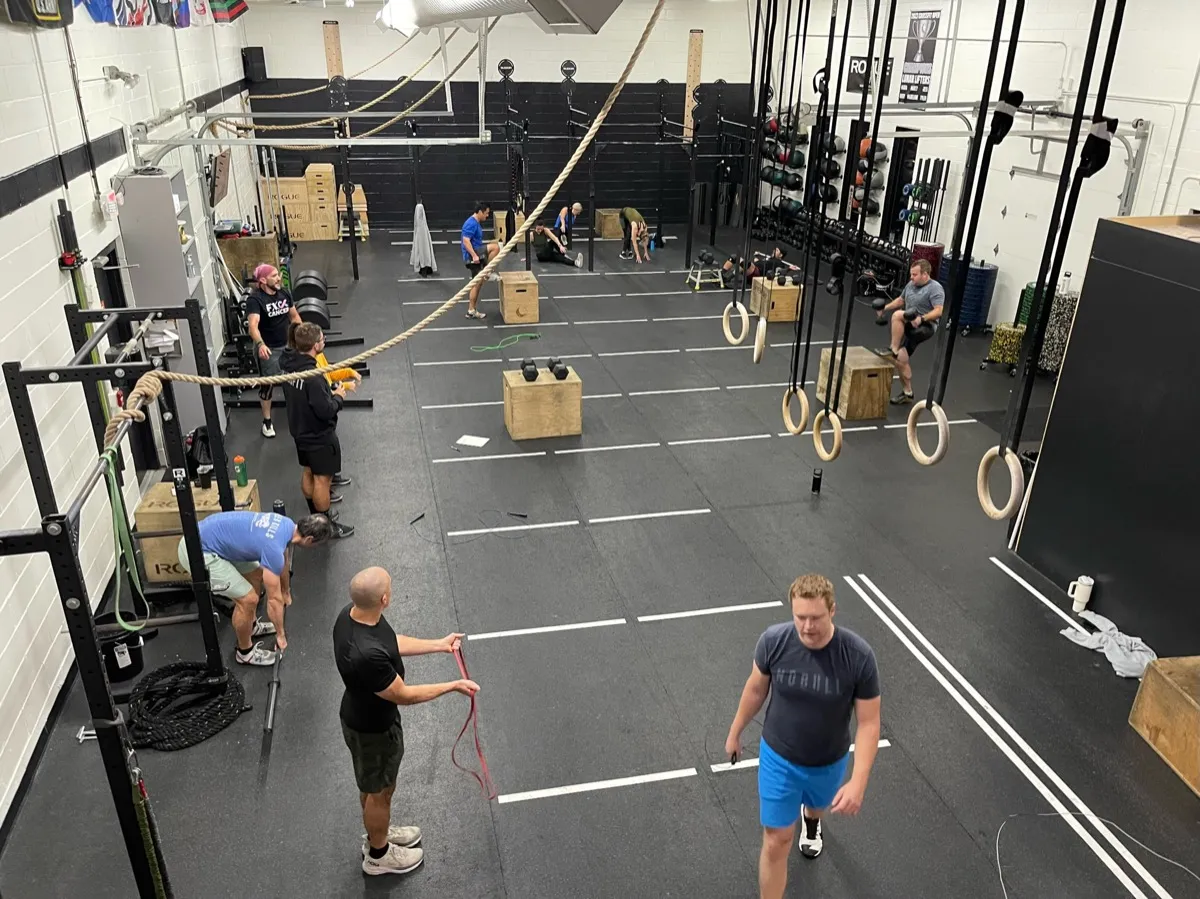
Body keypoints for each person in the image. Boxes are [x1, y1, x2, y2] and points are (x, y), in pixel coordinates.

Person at [725, 574, 882, 899]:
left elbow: (868, 723)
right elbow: (756, 689)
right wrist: (735, 730)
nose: (808, 626)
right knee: (776, 839)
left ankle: (811, 821)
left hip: (828, 761)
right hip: (778, 758)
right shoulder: (774, 641)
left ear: (832, 611)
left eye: (816, 618)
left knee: (816, 806)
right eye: (800, 617)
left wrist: (858, 782)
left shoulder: (858, 656)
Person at [333, 567, 480, 876]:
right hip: (373, 730)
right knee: (379, 790)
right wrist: (452, 686)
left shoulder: (351, 615)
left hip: (363, 718)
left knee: (376, 786)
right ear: (385, 599)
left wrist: (440, 644)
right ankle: (378, 855)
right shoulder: (366, 655)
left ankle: (379, 831)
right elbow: (404, 695)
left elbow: (392, 641)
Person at [178, 510, 335, 665]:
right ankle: (244, 652)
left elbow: (283, 561)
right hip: (197, 550)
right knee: (248, 600)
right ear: (309, 539)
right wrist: (280, 634)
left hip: (212, 538)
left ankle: (251, 626)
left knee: (257, 575)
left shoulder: (287, 525)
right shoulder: (273, 548)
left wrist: (286, 591)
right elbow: (273, 600)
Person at [281, 322, 356, 539]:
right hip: (318, 434)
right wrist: (338, 396)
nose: (324, 341)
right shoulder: (313, 377)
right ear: (315, 346)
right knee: (322, 480)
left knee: (308, 471)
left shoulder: (287, 364)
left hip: (300, 431)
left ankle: (315, 518)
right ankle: (326, 528)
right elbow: (325, 410)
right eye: (322, 339)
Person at [874, 259, 945, 404]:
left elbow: (939, 311)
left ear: (925, 274)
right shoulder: (911, 285)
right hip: (910, 322)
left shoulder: (935, 288)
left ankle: (893, 348)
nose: (911, 277)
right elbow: (900, 301)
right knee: (901, 360)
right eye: (911, 274)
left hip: (925, 327)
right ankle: (908, 393)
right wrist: (884, 308)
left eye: (914, 274)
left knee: (898, 315)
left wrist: (922, 318)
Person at [245, 264, 301, 438]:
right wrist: (261, 344)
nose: (279, 278)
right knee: (267, 386)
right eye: (275, 275)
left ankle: (297, 415)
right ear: (263, 280)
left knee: (294, 381)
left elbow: (294, 316)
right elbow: (252, 327)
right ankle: (267, 422)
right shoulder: (255, 300)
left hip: (288, 345)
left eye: (278, 275)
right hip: (269, 348)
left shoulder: (284, 293)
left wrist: (303, 337)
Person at [461, 201, 500, 320]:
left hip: (476, 252)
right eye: (486, 213)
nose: (487, 216)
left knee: (477, 284)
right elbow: (466, 241)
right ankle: (488, 271)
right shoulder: (471, 223)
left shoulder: (476, 223)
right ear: (479, 212)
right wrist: (474, 256)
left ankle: (471, 310)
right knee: (495, 247)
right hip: (472, 256)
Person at [722, 247, 788, 287]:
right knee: (734, 258)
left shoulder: (780, 263)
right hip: (753, 269)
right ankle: (722, 275)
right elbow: (762, 263)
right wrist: (757, 259)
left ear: (781, 255)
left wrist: (788, 269)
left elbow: (779, 272)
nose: (774, 251)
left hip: (757, 273)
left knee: (743, 262)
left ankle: (727, 278)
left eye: (776, 250)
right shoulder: (769, 258)